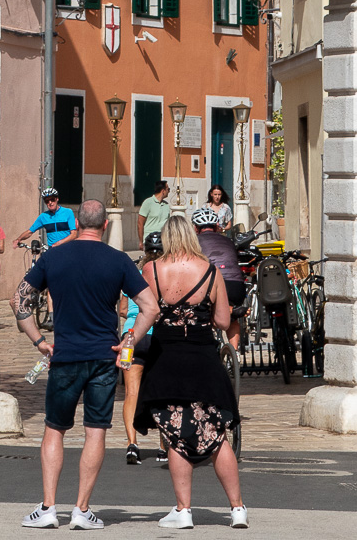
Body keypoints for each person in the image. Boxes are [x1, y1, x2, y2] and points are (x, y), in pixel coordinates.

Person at [14, 199, 159, 530]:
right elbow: (150, 306)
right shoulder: (119, 261)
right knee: (95, 430)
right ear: (106, 225)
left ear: (76, 223)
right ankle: (82, 510)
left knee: (55, 428)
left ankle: (49, 507)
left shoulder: (53, 258)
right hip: (102, 358)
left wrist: (39, 340)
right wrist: (130, 339)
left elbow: (19, 299)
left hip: (64, 355)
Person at [134, 215, 247, 530]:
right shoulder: (210, 272)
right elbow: (224, 322)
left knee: (174, 433)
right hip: (203, 360)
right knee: (217, 436)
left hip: (166, 360)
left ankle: (183, 510)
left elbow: (145, 312)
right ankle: (237, 509)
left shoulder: (152, 270)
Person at [120, 232, 164, 465]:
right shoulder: (164, 275)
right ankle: (163, 447)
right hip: (156, 337)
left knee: (131, 393)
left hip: (131, 337)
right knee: (161, 392)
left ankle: (132, 444)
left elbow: (123, 310)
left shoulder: (135, 275)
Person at [190, 206, 244, 346]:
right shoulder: (229, 242)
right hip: (236, 286)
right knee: (232, 320)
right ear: (216, 226)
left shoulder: (194, 243)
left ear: (196, 228)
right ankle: (235, 354)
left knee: (204, 314)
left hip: (211, 286)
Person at [137, 179, 171, 245]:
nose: (169, 191)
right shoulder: (148, 203)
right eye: (168, 189)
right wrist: (141, 241)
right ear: (163, 191)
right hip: (149, 240)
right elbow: (140, 223)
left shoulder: (166, 205)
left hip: (163, 240)